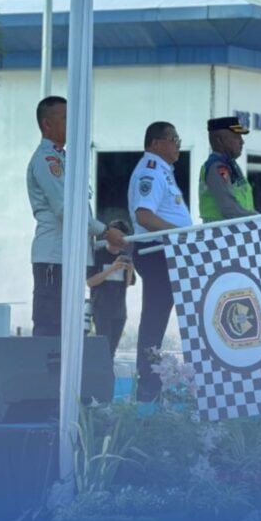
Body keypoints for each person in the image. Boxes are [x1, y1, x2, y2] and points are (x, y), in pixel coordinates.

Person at [27, 95, 126, 337]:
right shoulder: (47, 160)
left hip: (70, 256)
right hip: (54, 256)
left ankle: (61, 364)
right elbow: (65, 209)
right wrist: (105, 231)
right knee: (50, 325)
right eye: (65, 119)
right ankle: (45, 364)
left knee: (67, 327)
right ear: (47, 124)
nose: (71, 125)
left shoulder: (64, 158)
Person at [128, 121, 192, 401]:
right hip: (157, 253)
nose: (178, 145)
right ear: (156, 143)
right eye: (173, 139)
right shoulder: (151, 172)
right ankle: (148, 384)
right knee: (154, 318)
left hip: (169, 252)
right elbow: (144, 215)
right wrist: (176, 233)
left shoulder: (163, 171)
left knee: (161, 317)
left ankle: (155, 379)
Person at [86, 219, 135, 357]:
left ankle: (109, 369)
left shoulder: (124, 256)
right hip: (101, 309)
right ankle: (102, 370)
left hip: (119, 310)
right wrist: (112, 268)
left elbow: (127, 285)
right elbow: (90, 282)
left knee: (112, 351)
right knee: (103, 350)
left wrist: (130, 270)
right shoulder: (97, 254)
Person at [199, 116, 255, 222]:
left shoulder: (230, 165)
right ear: (219, 140)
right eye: (236, 137)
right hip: (221, 230)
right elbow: (229, 208)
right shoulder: (217, 167)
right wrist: (259, 218)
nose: (242, 142)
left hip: (235, 229)